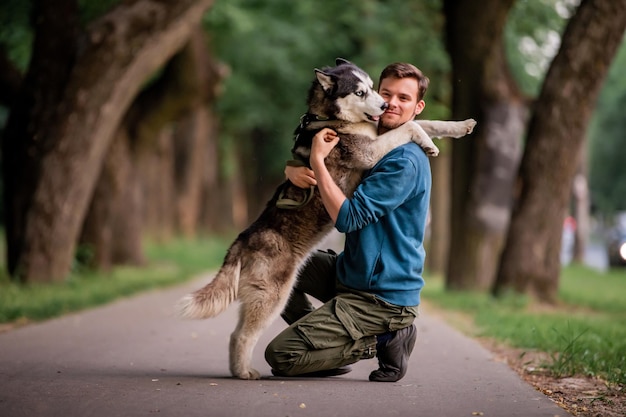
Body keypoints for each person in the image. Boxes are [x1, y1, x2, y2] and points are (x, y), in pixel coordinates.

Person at [264, 62, 431, 382]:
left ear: (417, 107)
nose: (392, 103)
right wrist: (293, 168)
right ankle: (325, 345)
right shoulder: (373, 138)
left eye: (404, 98)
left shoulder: (404, 161)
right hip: (352, 274)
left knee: (283, 356)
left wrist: (317, 162)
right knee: (272, 260)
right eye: (386, 93)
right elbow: (327, 155)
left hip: (381, 297)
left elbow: (349, 218)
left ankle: (385, 338)